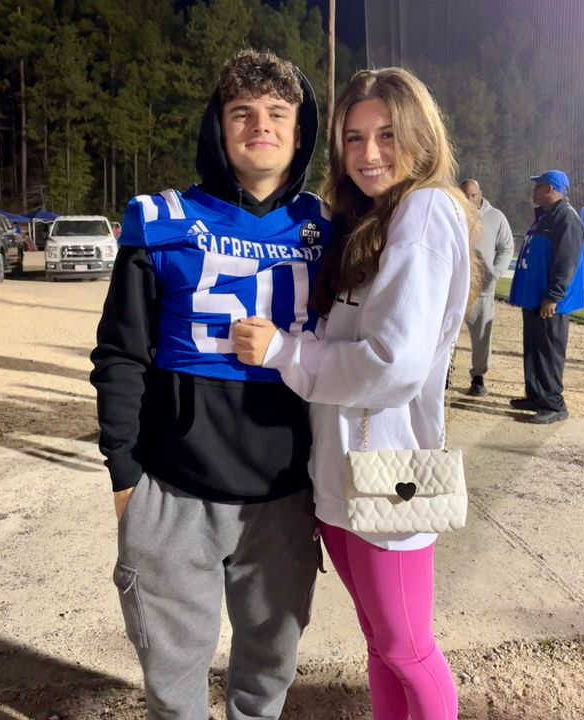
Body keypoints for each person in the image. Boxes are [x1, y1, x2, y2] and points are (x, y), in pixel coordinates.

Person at [90, 49, 332, 720]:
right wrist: (124, 477)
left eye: (278, 113)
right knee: (173, 685)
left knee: (269, 674)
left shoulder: (329, 228)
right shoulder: (161, 219)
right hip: (175, 490)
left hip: (285, 493)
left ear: (300, 132)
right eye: (242, 112)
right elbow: (121, 354)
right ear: (218, 127)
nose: (261, 125)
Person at [233, 67, 475, 720]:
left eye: (387, 134)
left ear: (421, 135)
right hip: (345, 476)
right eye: (354, 138)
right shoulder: (374, 218)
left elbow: (393, 365)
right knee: (380, 644)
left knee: (407, 648)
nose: (369, 153)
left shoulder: (424, 210)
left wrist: (283, 352)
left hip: (390, 478)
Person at [508, 170, 584, 424]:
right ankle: (536, 396)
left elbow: (566, 262)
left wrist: (553, 296)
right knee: (533, 349)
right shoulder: (544, 216)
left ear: (550, 189)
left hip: (550, 301)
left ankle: (554, 404)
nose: (534, 191)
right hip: (534, 297)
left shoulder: (566, 218)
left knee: (549, 351)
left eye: (538, 187)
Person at [460, 179, 514, 396]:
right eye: (465, 195)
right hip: (454, 287)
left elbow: (506, 247)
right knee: (445, 333)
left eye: (473, 195)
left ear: (480, 194)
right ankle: (443, 373)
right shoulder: (452, 213)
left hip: (482, 288)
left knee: (482, 336)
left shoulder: (495, 217)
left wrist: (496, 272)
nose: (469, 199)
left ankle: (478, 377)